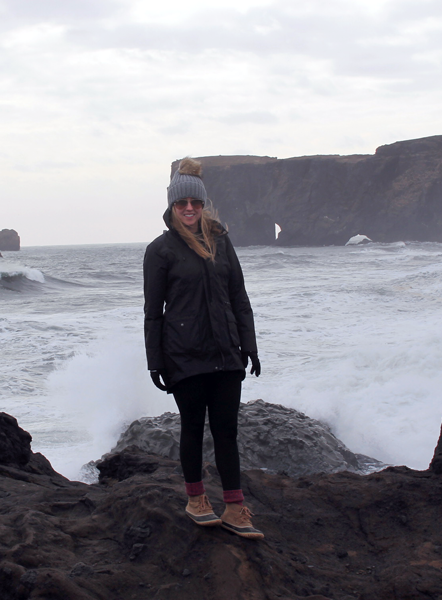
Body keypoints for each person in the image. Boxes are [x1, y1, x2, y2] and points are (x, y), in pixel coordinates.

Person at [143, 157, 263, 539]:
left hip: (226, 353)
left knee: (227, 430)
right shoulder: (160, 251)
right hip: (185, 355)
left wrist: (249, 344)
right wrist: (155, 361)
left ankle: (233, 508)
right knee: (193, 426)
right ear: (172, 208)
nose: (189, 209)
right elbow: (153, 312)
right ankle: (196, 500)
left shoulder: (222, 242)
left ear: (203, 203)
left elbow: (238, 296)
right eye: (182, 204)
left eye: (195, 202)